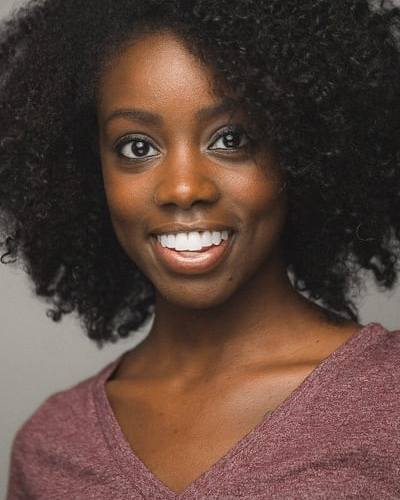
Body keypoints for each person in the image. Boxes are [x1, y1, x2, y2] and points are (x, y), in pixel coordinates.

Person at [1, 0, 400, 498]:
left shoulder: (388, 404)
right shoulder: (51, 449)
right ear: (88, 169)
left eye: (231, 138)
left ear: (303, 148)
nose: (184, 188)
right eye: (137, 147)